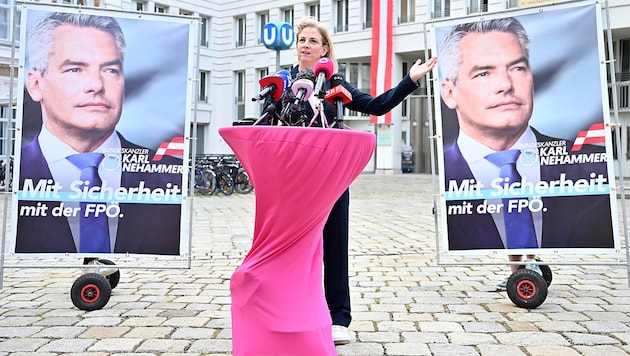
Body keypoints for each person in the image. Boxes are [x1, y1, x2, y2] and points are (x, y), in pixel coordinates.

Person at [269, 16, 437, 345]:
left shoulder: (335, 86)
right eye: (302, 39)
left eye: (313, 40)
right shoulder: (282, 84)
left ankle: (338, 318)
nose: (306, 44)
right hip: (293, 180)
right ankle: (290, 310)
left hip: (330, 178)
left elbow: (376, 106)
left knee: (334, 245)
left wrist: (410, 80)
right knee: (294, 248)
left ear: (325, 49)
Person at [437, 17, 614, 288]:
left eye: (517, 68)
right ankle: (515, 271)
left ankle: (530, 266)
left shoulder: (588, 167)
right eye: (484, 73)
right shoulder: (446, 179)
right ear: (450, 93)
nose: (506, 84)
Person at [15, 12, 183, 255]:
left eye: (110, 70)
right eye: (75, 69)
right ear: (36, 84)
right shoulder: (17, 175)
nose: (96, 84)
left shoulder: (168, 177)